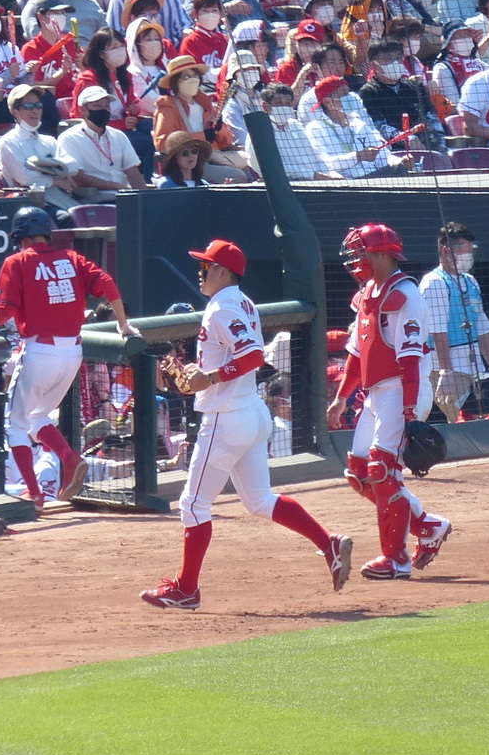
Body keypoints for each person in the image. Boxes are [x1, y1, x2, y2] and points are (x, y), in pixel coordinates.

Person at [140, 238, 355, 610]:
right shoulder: (241, 302)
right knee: (259, 500)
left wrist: (210, 378)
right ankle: (328, 544)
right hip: (250, 412)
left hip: (227, 420)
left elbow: (253, 356)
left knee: (192, 505)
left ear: (223, 271)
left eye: (206, 266)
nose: (201, 272)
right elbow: (236, 357)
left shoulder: (222, 306)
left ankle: (186, 588)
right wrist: (200, 374)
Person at [327, 222, 453, 580]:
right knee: (359, 471)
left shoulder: (405, 294)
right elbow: (357, 354)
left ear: (382, 254)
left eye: (361, 252)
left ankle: (395, 559)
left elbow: (410, 359)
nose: (356, 260)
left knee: (383, 469)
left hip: (402, 389)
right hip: (378, 392)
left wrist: (410, 410)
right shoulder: (368, 291)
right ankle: (427, 526)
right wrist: (340, 400)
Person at [0, 206, 136, 514]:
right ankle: (69, 458)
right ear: (48, 232)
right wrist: (123, 324)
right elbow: (108, 284)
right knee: (39, 417)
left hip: (39, 351)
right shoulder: (72, 258)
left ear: (18, 236)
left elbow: (3, 312)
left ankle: (34, 495)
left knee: (16, 426)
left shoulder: (16, 261)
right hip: (73, 353)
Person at [419, 221, 489, 433]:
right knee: (463, 423)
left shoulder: (471, 282)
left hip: (476, 366)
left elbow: (482, 327)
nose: (468, 255)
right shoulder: (434, 283)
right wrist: (446, 373)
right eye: (462, 249)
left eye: (471, 249)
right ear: (445, 250)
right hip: (448, 367)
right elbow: (438, 331)